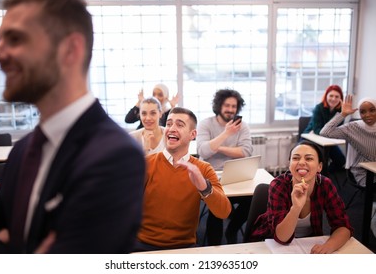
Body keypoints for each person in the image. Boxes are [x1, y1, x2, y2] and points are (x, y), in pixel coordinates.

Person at [0, 0, 145, 254]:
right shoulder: (24, 149)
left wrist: (5, 244)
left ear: (70, 49)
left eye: (15, 39)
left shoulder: (115, 157)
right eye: (0, 39)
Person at [134, 107, 231, 251]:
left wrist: (204, 187)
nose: (171, 129)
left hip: (184, 247)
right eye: (168, 124)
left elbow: (224, 212)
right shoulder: (146, 164)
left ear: (193, 134)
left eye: (179, 125)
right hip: (144, 244)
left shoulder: (203, 169)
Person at [250, 141, 353, 254]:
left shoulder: (325, 185)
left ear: (319, 166)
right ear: (289, 165)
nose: (301, 162)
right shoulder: (279, 185)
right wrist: (296, 207)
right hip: (272, 244)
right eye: (295, 158)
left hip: (307, 243)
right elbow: (281, 238)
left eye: (309, 159)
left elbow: (343, 227)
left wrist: (329, 246)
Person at [196, 89, 253, 245]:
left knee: (254, 198)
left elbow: (246, 152)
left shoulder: (243, 127)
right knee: (217, 204)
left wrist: (217, 147)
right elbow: (202, 151)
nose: (230, 109)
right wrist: (226, 134)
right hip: (211, 176)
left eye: (234, 106)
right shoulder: (206, 124)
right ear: (219, 106)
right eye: (227, 105)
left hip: (236, 176)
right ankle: (215, 247)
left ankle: (232, 229)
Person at [320, 95, 376, 187]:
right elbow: (325, 132)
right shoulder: (353, 127)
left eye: (372, 110)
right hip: (363, 172)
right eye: (363, 112)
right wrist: (343, 114)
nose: (367, 115)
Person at [303, 85, 346, 171]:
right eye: (331, 96)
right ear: (326, 96)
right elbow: (317, 130)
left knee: (341, 161)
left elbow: (338, 129)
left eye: (337, 96)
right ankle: (320, 173)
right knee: (318, 160)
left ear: (340, 99)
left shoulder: (342, 111)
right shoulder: (318, 108)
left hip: (327, 141)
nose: (333, 99)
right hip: (311, 138)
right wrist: (331, 133)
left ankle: (323, 174)